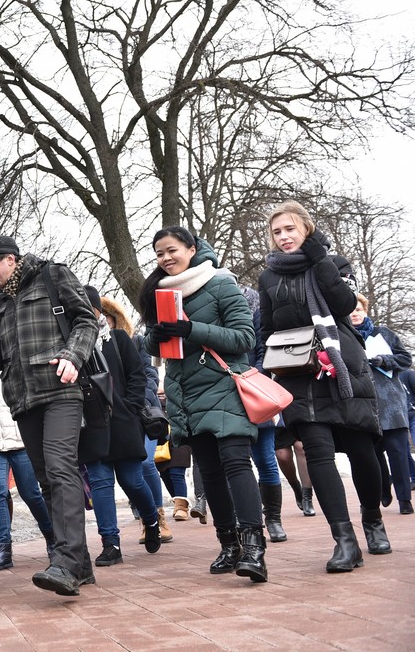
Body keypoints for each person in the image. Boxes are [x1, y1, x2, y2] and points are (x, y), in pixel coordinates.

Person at [0, 235, 100, 597]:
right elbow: (2, 356)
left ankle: (65, 561)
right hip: (22, 399)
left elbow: (86, 321)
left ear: (9, 259)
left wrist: (73, 355)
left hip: (61, 390)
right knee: (47, 481)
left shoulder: (52, 276)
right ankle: (80, 566)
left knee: (60, 468)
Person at [258, 201, 386, 572]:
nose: (283, 237)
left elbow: (345, 304)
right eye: (277, 231)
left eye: (290, 229)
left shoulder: (335, 263)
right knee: (317, 453)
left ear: (307, 229)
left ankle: (373, 520)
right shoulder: (268, 276)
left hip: (342, 366)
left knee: (362, 451)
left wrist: (320, 260)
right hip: (298, 373)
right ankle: (345, 541)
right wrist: (266, 367)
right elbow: (266, 327)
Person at [140, 227, 267, 583]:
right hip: (187, 394)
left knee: (236, 463)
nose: (165, 258)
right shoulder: (162, 294)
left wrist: (189, 328)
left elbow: (244, 337)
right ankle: (229, 544)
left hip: (224, 385)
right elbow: (155, 348)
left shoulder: (220, 284)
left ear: (192, 249)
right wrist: (157, 336)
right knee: (209, 472)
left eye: (172, 250)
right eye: (159, 253)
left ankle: (255, 548)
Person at [82, 286, 162, 567]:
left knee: (132, 481)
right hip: (91, 426)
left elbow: (137, 375)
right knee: (101, 484)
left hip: (123, 421)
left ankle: (152, 520)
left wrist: (129, 405)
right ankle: (110, 543)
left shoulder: (117, 339)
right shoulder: (72, 347)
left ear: (97, 312)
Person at [0, 326, 55, 570]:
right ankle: (4, 547)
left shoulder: (17, 366)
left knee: (31, 493)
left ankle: (51, 536)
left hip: (20, 441)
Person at [349, 294, 413, 515]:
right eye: (351, 310)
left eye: (358, 309)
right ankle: (383, 490)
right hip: (364, 406)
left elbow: (405, 359)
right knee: (373, 455)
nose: (355, 313)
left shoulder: (384, 334)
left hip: (392, 405)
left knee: (398, 453)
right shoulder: (345, 337)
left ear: (365, 311)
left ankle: (405, 499)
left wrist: (384, 360)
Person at [242, 284, 289, 543]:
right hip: (227, 397)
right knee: (238, 464)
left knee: (266, 462)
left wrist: (252, 376)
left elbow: (265, 352)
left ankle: (273, 519)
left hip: (257, 393)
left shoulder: (257, 313)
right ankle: (248, 522)